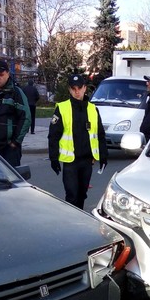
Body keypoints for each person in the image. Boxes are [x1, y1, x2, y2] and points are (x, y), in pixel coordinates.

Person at [48, 73, 107, 210]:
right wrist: (53, 158)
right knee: (72, 195)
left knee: (82, 195)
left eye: (79, 88)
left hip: (87, 161)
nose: (77, 91)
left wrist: (103, 156)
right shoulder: (62, 108)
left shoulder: (93, 109)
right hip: (70, 162)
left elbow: (100, 135)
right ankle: (70, 223)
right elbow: (53, 135)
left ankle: (79, 219)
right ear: (69, 90)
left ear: (85, 88)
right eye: (73, 88)